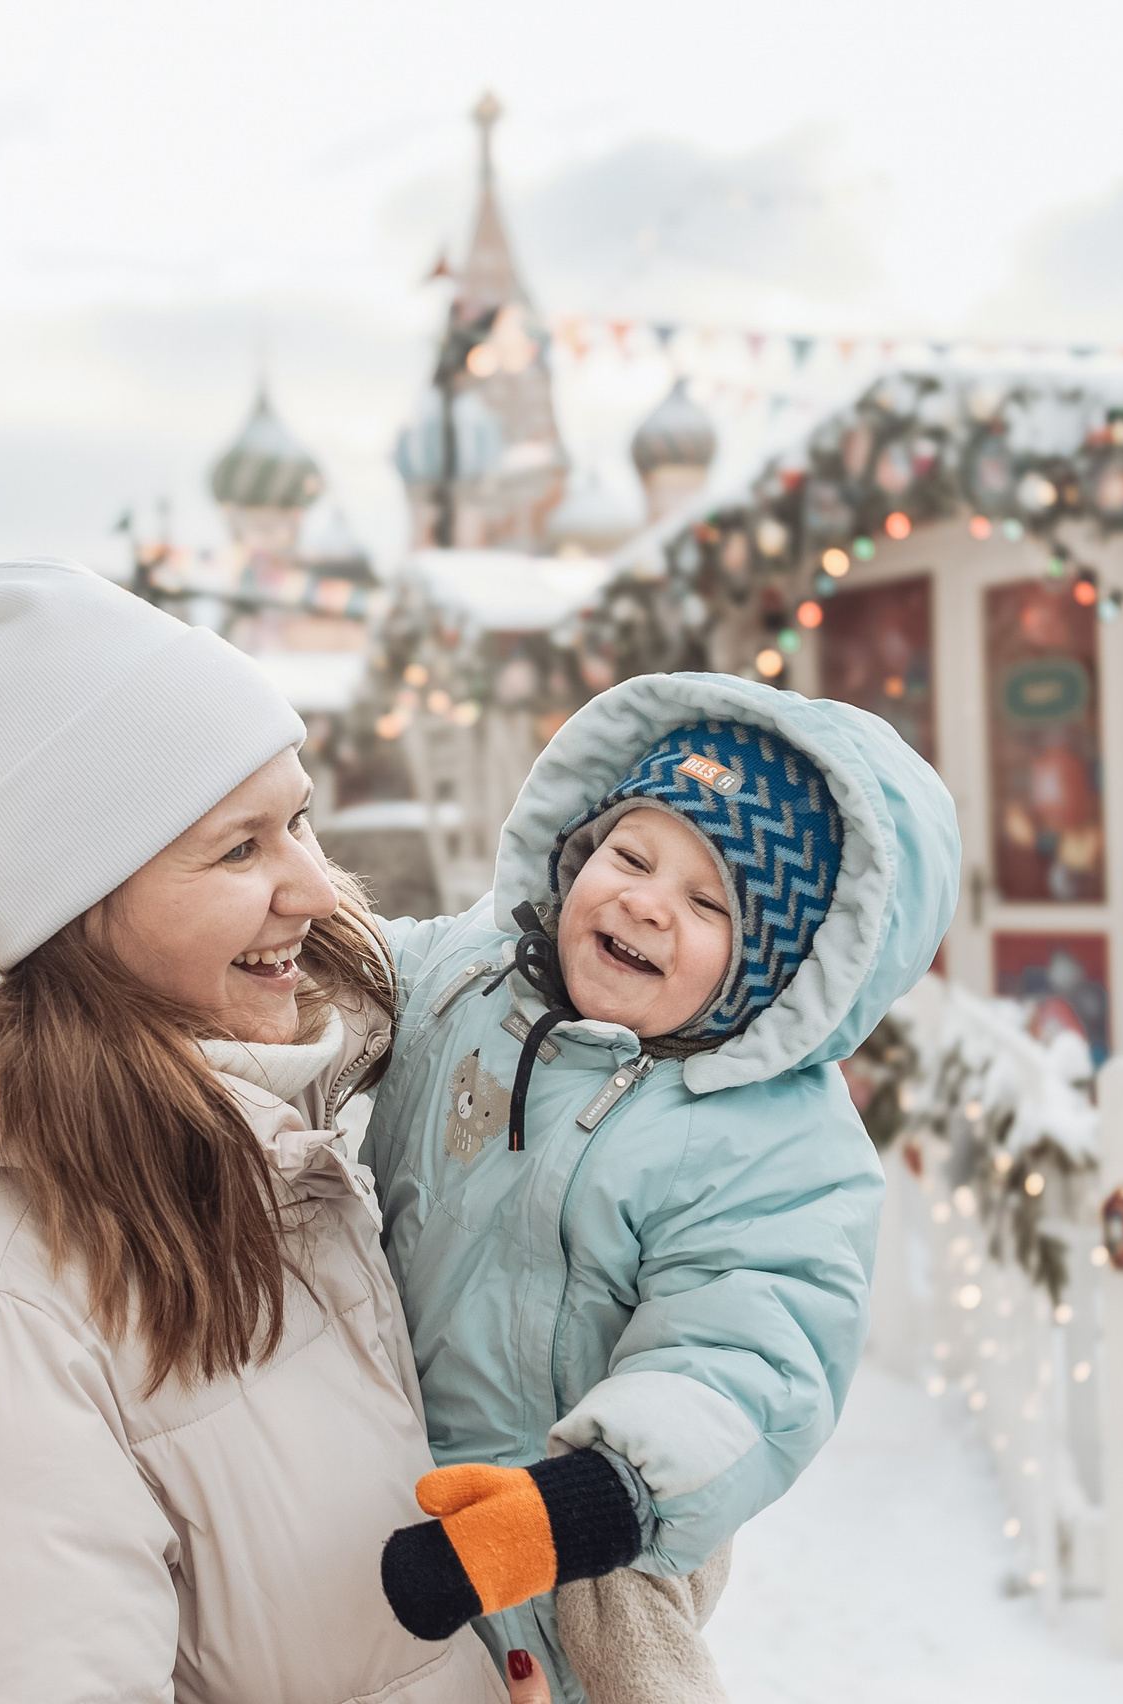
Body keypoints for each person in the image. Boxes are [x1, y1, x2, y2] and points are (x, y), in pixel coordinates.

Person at [0, 559, 512, 1704]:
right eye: (239, 848)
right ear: (72, 908)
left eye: (300, 821)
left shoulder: (245, 1139)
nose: (317, 889)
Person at [364, 672, 960, 1701]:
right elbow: (347, 978)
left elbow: (746, 1354)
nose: (643, 900)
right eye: (629, 854)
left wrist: (588, 1503)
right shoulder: (471, 975)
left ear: (769, 967)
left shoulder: (768, 1142)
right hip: (370, 1467)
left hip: (571, 1542)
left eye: (705, 901)